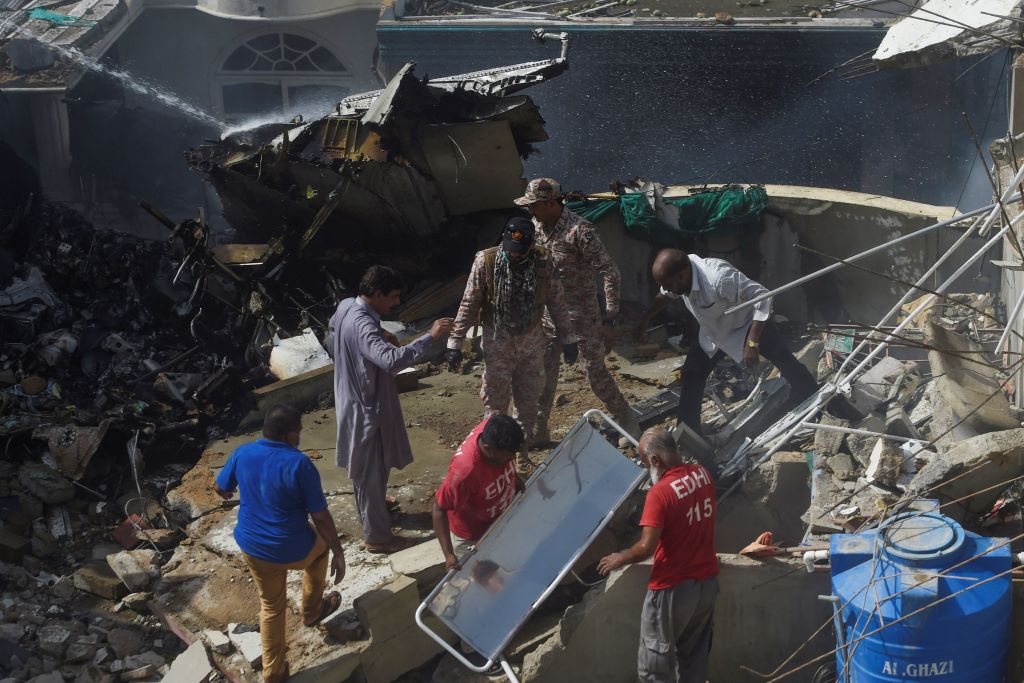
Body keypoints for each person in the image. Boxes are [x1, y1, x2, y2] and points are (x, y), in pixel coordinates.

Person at [213, 405, 346, 683]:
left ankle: (273, 673)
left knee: (271, 607)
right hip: (292, 550)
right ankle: (312, 610)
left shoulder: (242, 452)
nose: (300, 435)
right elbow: (320, 516)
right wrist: (338, 551)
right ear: (289, 435)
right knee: (320, 550)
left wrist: (229, 491)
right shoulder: (300, 464)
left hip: (252, 547)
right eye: (298, 430)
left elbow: (221, 488)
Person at [329, 265, 454, 553]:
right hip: (366, 408)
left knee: (369, 469)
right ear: (375, 293)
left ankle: (373, 512)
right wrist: (429, 337)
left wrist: (379, 333)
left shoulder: (348, 305)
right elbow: (391, 361)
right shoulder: (362, 324)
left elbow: (334, 327)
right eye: (393, 296)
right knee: (370, 472)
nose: (396, 303)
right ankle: (377, 537)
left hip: (352, 398)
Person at [641, 248, 824, 436]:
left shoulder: (719, 278)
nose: (667, 289)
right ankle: (689, 432)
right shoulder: (678, 278)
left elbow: (763, 299)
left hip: (748, 324)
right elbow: (665, 295)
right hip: (715, 331)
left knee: (785, 361)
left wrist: (752, 343)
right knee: (692, 374)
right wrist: (644, 320)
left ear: (681, 275)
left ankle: (821, 405)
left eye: (668, 284)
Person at [445, 218, 578, 467]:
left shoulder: (544, 261)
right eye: (510, 249)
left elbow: (557, 303)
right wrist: (455, 342)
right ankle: (493, 456)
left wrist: (569, 338)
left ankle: (520, 454)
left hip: (531, 341)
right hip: (498, 341)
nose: (513, 255)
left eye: (520, 251)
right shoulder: (485, 261)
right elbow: (469, 302)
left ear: (531, 245)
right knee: (495, 402)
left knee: (528, 401)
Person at [515, 178, 640, 441]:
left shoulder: (580, 231)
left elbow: (610, 272)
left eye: (534, 205)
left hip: (581, 318)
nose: (530, 211)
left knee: (593, 371)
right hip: (548, 318)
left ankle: (625, 415)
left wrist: (610, 319)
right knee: (543, 373)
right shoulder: (537, 227)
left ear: (550, 203)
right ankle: (538, 429)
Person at [597, 428, 719, 683]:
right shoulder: (702, 474)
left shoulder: (660, 493)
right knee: (693, 660)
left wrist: (620, 557)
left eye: (644, 461)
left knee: (654, 667)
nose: (645, 468)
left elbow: (646, 548)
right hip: (707, 584)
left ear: (656, 460)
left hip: (672, 589)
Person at [432, 415, 526, 570]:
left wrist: (513, 477)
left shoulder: (494, 431)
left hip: (497, 518)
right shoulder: (465, 472)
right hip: (471, 534)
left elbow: (506, 459)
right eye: (508, 456)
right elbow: (438, 508)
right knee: (474, 579)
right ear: (489, 449)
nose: (512, 459)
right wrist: (449, 555)